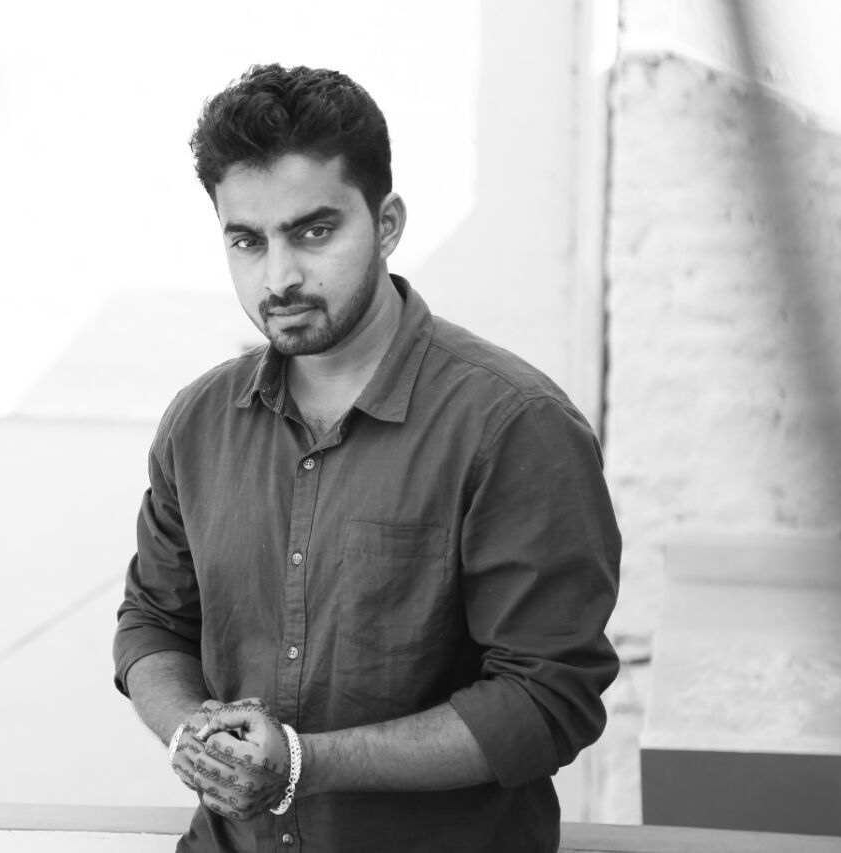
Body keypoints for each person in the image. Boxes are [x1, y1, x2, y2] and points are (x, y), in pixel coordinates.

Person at [112, 63, 620, 853]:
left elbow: (546, 698)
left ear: (386, 224)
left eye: (314, 231)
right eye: (247, 240)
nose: (279, 276)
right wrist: (192, 733)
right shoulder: (198, 423)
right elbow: (152, 621)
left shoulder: (514, 425)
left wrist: (304, 764)